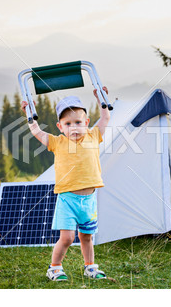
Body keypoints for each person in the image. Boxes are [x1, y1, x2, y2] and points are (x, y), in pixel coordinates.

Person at [21, 87, 110, 281]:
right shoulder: (57, 142)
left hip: (89, 200)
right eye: (68, 124)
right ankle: (55, 267)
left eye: (78, 122)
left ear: (86, 123)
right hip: (68, 199)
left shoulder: (94, 136)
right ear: (60, 127)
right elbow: (37, 132)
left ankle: (90, 267)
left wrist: (101, 100)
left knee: (87, 237)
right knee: (68, 238)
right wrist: (29, 114)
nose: (74, 127)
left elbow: (105, 120)